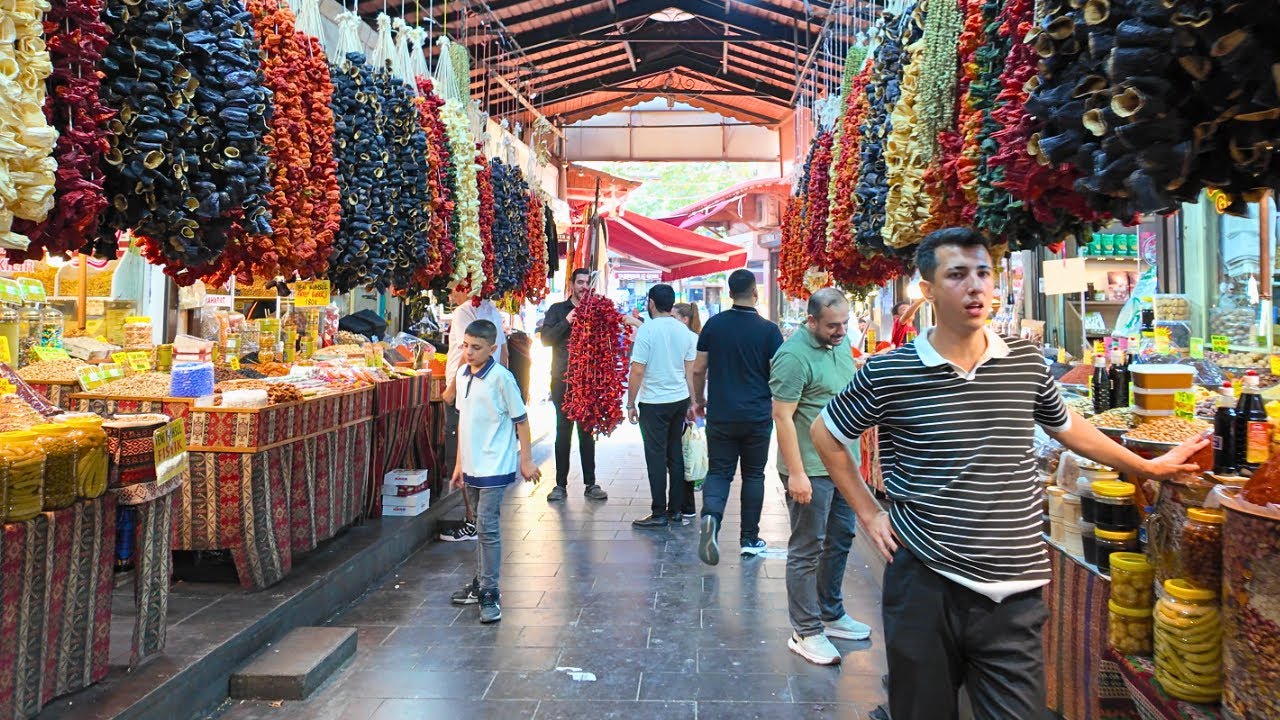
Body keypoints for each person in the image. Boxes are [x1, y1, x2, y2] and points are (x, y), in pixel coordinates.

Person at [811, 227, 1206, 719]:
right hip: (925, 582)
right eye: (957, 274)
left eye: (983, 273)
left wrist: (1146, 465)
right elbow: (825, 432)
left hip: (1014, 588)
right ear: (928, 290)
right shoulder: (890, 372)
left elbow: (1068, 429)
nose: (975, 286)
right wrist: (869, 513)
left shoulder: (1024, 361)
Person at [769, 287, 872, 666]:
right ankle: (806, 630)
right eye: (832, 325)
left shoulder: (840, 343)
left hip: (843, 463)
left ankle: (830, 612)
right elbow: (782, 417)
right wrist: (796, 473)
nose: (841, 331)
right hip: (810, 468)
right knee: (807, 548)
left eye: (845, 323)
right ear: (810, 320)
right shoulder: (792, 357)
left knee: (841, 539)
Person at [449, 320, 540, 623]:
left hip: (496, 465)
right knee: (480, 525)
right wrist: (460, 464)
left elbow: (522, 421)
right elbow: (464, 421)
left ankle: (490, 591)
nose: (469, 352)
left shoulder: (502, 378)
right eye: (465, 346)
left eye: (476, 347)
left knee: (487, 526)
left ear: (492, 348)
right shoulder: (462, 376)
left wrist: (525, 461)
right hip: (473, 466)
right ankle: (480, 581)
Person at [691, 269, 784, 564]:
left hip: (721, 412)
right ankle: (749, 539)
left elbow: (698, 368)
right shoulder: (769, 331)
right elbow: (778, 373)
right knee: (754, 475)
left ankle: (711, 518)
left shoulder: (714, 325)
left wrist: (698, 400)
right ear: (755, 292)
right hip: (757, 414)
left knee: (719, 472)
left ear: (729, 293)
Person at [440, 283, 507, 542]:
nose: (449, 293)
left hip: (466, 390)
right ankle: (481, 518)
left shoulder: (463, 313)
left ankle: (472, 520)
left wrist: (451, 389)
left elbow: (464, 354)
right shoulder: (493, 312)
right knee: (479, 451)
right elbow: (503, 352)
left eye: (453, 286)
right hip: (486, 391)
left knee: (463, 450)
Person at [626, 284, 698, 528]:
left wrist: (630, 403)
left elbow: (637, 370)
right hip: (678, 400)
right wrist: (693, 402)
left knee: (656, 456)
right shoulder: (684, 331)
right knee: (674, 453)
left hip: (654, 402)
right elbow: (689, 372)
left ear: (651, 303)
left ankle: (658, 513)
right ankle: (675, 510)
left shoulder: (647, 330)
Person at [539, 268, 609, 503]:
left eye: (588, 283)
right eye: (580, 282)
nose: (584, 286)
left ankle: (591, 483)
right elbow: (546, 340)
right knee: (563, 431)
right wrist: (569, 320)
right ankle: (560, 484)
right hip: (562, 380)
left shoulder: (596, 311)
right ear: (572, 284)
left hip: (587, 381)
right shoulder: (558, 310)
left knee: (587, 432)